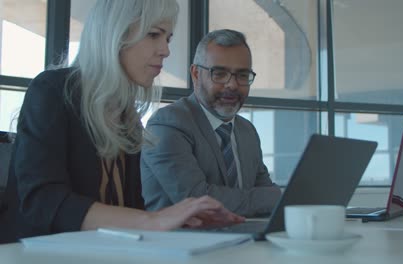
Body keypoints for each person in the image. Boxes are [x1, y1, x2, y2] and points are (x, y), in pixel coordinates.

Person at [8, 0, 243, 240]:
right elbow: (43, 201)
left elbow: (132, 213)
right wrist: (154, 221)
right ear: (114, 35)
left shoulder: (127, 118)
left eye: (168, 39)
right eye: (153, 35)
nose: (166, 50)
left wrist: (179, 223)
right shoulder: (52, 90)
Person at [141, 29, 281, 217]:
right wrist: (273, 196)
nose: (232, 85)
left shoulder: (247, 131)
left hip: (245, 241)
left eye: (242, 75)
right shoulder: (167, 124)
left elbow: (269, 196)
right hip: (182, 242)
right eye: (220, 73)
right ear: (196, 74)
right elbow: (198, 201)